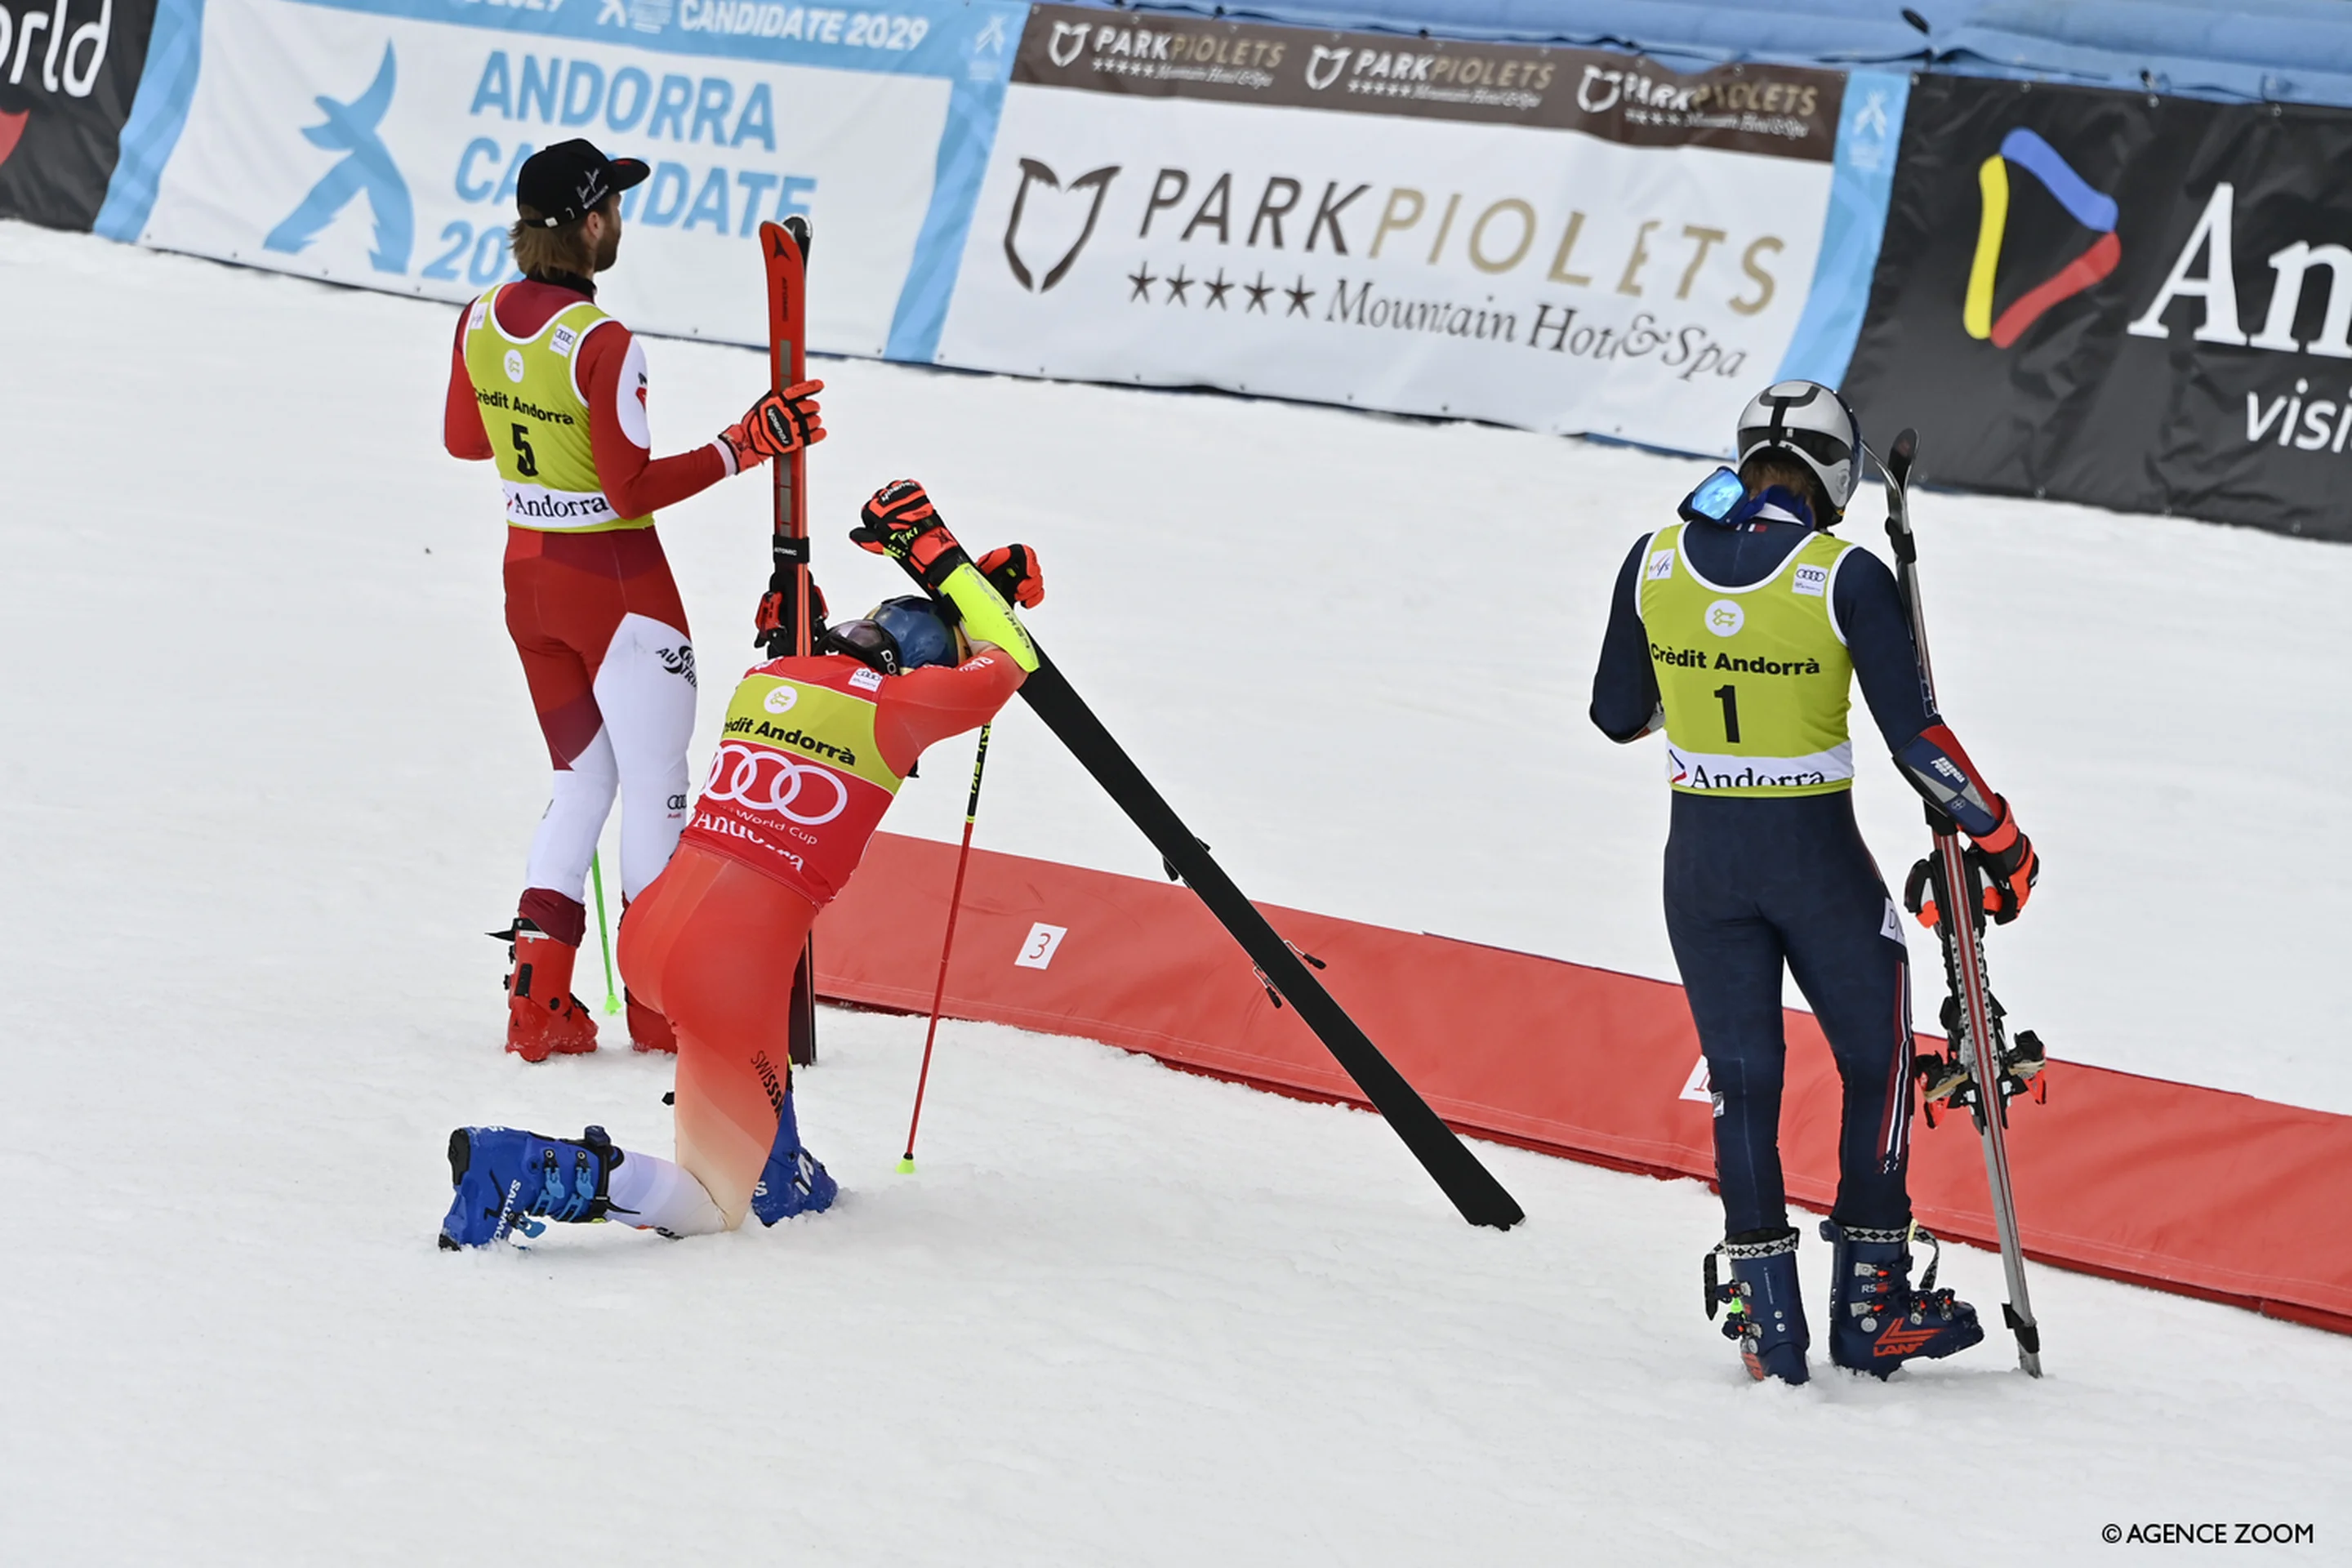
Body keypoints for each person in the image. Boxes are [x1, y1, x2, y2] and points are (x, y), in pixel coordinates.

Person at [440, 481, 1044, 1247]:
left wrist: (958, 595)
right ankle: (523, 1168)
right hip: (727, 972)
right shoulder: (898, 711)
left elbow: (856, 658)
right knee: (714, 1206)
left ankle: (777, 1158)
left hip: (656, 930)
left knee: (747, 1049)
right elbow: (1012, 657)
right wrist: (950, 566)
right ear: (920, 670)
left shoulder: (768, 680)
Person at [1588, 381, 2041, 1384]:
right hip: (1818, 869)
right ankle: (1871, 1307)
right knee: (1877, 1067)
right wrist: (2001, 838)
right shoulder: (1847, 573)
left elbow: (1618, 716)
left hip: (1701, 867)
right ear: (1837, 477)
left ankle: (1768, 1325)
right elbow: (1916, 744)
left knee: (1744, 1084)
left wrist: (1709, 673)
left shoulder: (1654, 558)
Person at [442, 137, 826, 1064]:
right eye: (612, 204)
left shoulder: (479, 318)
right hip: (617, 593)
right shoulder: (606, 343)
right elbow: (628, 489)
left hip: (526, 584)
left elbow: (466, 441)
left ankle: (537, 1004)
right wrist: (747, 444)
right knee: (655, 789)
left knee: (582, 781)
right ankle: (659, 1016)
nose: (620, 219)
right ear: (589, 223)